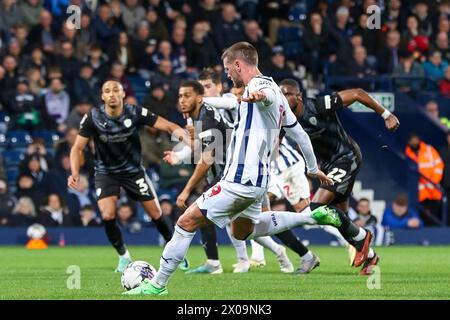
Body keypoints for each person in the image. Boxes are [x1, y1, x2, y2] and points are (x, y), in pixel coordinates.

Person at [124, 42, 340, 295]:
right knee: (244, 230)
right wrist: (313, 168)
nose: (227, 74)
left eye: (228, 68)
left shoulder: (261, 88)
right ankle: (311, 217)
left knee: (185, 222)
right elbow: (301, 135)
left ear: (238, 64)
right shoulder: (279, 96)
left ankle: (157, 284)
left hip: (239, 180)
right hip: (258, 183)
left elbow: (263, 92)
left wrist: (260, 96)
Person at [165, 80, 293, 274]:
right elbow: (203, 148)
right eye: (180, 96)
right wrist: (180, 154)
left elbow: (208, 156)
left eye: (187, 95)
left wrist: (186, 190)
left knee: (204, 213)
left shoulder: (212, 110)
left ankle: (227, 262)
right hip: (226, 174)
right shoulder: (199, 117)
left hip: (233, 174)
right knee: (233, 223)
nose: (182, 100)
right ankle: (224, 261)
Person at [68, 79, 193, 273]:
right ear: (102, 96)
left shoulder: (134, 112)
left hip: (133, 171)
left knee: (156, 214)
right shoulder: (93, 117)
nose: (111, 94)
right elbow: (77, 148)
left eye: (115, 90)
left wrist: (187, 138)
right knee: (108, 214)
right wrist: (74, 172)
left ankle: (175, 254)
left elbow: (168, 126)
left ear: (122, 94)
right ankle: (123, 256)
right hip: (106, 172)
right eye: (107, 91)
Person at [278, 78, 400, 275]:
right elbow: (275, 143)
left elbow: (358, 93)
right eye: (279, 94)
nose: (282, 98)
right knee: (340, 218)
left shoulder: (318, 106)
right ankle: (370, 257)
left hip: (346, 157)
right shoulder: (284, 120)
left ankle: (363, 236)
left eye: (286, 94)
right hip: (327, 167)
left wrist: (386, 114)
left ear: (298, 96)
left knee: (317, 207)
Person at [405, 133, 444, 226]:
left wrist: (433, 181)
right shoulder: (407, 154)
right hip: (419, 195)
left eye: (416, 140)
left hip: (433, 192)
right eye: (412, 140)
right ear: (409, 142)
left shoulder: (429, 150)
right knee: (422, 219)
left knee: (435, 219)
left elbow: (439, 166)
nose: (414, 142)